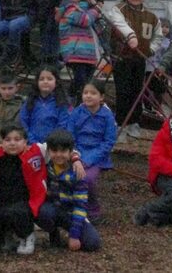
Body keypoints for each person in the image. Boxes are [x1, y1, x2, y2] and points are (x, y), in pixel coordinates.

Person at [0, 124, 47, 255]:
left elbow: (58, 144)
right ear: (1, 142)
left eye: (17, 139)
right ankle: (4, 236)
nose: (12, 143)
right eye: (8, 140)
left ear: (25, 142)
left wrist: (76, 159)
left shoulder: (35, 152)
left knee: (16, 212)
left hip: (24, 202)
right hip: (0, 202)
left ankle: (27, 235)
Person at [107, 0, 159, 141]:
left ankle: (134, 123)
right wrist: (131, 36)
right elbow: (119, 24)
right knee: (123, 91)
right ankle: (121, 123)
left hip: (140, 59)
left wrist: (151, 50)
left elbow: (158, 36)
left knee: (137, 91)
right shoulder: (118, 10)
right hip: (122, 58)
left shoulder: (151, 16)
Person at [39, 129, 102, 252]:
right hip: (53, 209)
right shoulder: (45, 168)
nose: (58, 155)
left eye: (63, 151)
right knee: (42, 212)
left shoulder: (77, 172)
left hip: (71, 213)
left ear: (70, 152)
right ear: (49, 151)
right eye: (54, 151)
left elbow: (80, 205)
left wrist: (74, 235)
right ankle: (53, 233)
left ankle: (72, 231)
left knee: (92, 243)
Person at [65, 79, 117, 221]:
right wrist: (76, 156)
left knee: (87, 179)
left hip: (97, 155)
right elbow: (70, 136)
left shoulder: (107, 116)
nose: (88, 96)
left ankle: (93, 208)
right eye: (85, 93)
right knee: (68, 177)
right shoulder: (76, 113)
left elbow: (109, 142)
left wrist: (88, 160)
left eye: (93, 93)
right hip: (77, 151)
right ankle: (73, 207)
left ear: (101, 97)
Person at [57, 0, 102, 99]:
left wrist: (93, 7)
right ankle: (70, 99)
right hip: (75, 51)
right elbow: (85, 20)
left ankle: (78, 102)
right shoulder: (68, 8)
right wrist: (95, 10)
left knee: (86, 81)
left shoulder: (84, 8)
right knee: (80, 80)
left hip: (87, 52)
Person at [19, 65, 72, 144]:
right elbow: (23, 123)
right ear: (37, 82)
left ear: (56, 82)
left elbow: (62, 125)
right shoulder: (30, 101)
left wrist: (50, 142)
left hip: (54, 145)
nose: (45, 81)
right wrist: (32, 141)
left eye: (49, 79)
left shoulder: (61, 103)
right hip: (30, 144)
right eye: (41, 79)